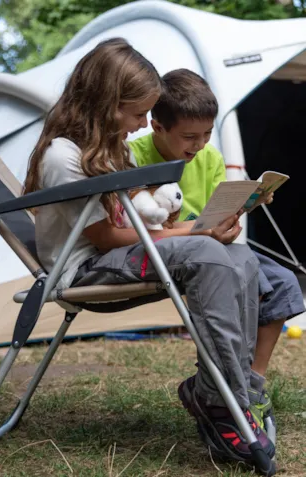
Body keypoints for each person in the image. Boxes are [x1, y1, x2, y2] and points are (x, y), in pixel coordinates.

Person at [24, 38, 275, 464]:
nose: (143, 124)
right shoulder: (63, 156)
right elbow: (108, 239)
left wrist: (206, 226)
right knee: (208, 255)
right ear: (106, 102)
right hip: (86, 267)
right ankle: (225, 405)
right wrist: (197, 237)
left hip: (121, 254)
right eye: (138, 113)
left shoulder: (109, 149)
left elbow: (142, 225)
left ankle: (227, 393)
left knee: (240, 255)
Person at [128, 68, 305, 434]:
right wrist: (206, 231)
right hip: (174, 254)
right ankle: (220, 391)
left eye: (207, 133)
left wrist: (244, 206)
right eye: (189, 136)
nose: (199, 144)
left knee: (284, 283)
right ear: (157, 126)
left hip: (210, 245)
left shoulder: (208, 157)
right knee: (236, 276)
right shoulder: (134, 157)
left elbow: (215, 212)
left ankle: (251, 383)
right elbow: (142, 227)